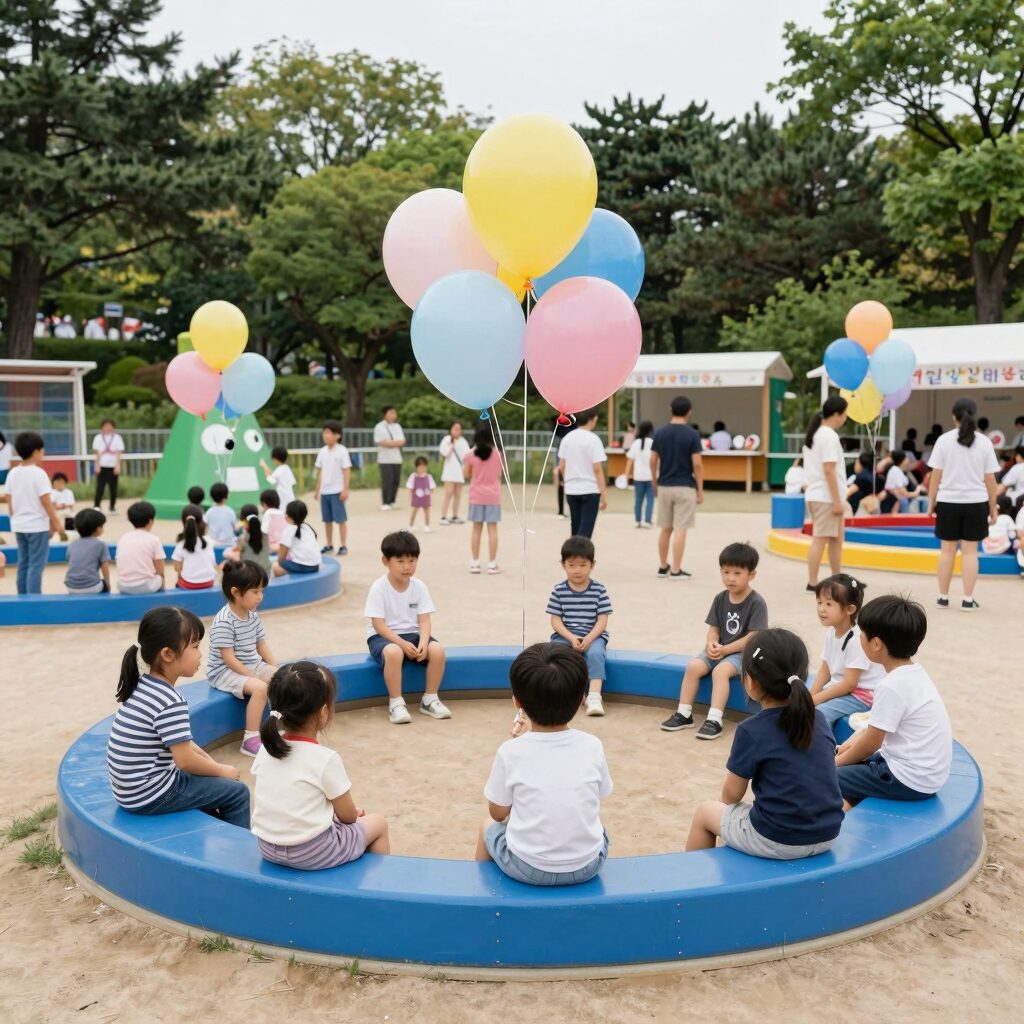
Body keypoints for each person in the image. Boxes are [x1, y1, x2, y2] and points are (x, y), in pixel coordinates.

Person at [684, 628, 843, 859]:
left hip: (779, 840)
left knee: (706, 812)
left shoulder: (752, 730)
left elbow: (731, 796)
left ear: (750, 681)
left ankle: (693, 883)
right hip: (828, 834)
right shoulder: (817, 718)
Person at [475, 643, 611, 886]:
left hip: (528, 867)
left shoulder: (510, 752)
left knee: (487, 828)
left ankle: (482, 895)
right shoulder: (593, 745)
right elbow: (601, 794)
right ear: (581, 699)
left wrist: (520, 745)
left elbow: (497, 814)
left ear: (517, 702)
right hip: (589, 864)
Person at [106, 606, 249, 827]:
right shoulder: (170, 701)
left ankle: (212, 829)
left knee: (212, 784)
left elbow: (186, 745)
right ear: (168, 654)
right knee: (237, 793)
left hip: (130, 791)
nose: (200, 653)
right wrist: (222, 770)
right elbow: (185, 761)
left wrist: (213, 767)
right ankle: (237, 851)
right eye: (195, 647)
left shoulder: (143, 685)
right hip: (151, 794)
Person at [252, 662, 390, 868]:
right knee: (378, 823)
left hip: (267, 847)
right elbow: (348, 816)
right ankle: (379, 889)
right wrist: (354, 812)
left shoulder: (266, 748)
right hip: (312, 853)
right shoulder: (324, 758)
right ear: (324, 711)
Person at [835, 596, 952, 808]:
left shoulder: (891, 686)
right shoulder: (913, 673)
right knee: (847, 762)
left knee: (826, 779)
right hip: (923, 774)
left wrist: (833, 766)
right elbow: (871, 733)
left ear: (876, 644)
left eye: (862, 634)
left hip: (908, 780)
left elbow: (872, 743)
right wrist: (850, 744)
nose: (859, 638)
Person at [661, 542, 768, 740]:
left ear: (751, 575)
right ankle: (684, 713)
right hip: (721, 649)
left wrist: (726, 649)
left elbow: (753, 637)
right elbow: (714, 629)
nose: (730, 578)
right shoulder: (721, 598)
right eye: (725, 572)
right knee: (693, 666)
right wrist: (711, 643)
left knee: (720, 671)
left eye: (737, 573)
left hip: (742, 654)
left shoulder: (756, 602)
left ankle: (715, 719)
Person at [363, 530, 450, 725]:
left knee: (438, 651)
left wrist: (424, 643)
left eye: (412, 561)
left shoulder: (419, 586)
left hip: (413, 635)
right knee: (394, 653)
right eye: (400, 561)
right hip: (383, 637)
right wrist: (402, 644)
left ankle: (430, 699)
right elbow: (378, 624)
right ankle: (396, 703)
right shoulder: (379, 587)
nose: (407, 567)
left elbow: (425, 620)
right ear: (385, 561)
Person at [927, 397, 999, 611]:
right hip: (976, 503)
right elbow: (990, 480)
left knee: (947, 552)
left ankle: (942, 597)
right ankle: (968, 599)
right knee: (970, 552)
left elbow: (935, 476)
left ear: (953, 416)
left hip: (947, 502)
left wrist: (931, 503)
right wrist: (993, 506)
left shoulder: (943, 440)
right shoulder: (984, 442)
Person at [208, 560, 278, 757]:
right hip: (223, 671)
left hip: (250, 665)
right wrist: (253, 676)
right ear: (236, 592)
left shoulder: (252, 615)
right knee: (261, 688)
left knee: (282, 680)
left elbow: (261, 645)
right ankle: (250, 739)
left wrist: (274, 668)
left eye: (261, 591)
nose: (260, 597)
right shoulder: (224, 621)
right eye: (255, 592)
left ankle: (271, 727)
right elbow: (228, 659)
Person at [809, 574, 885, 735]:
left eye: (829, 604)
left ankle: (823, 754)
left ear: (850, 609)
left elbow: (850, 684)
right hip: (845, 689)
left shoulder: (857, 639)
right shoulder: (832, 631)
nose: (821, 609)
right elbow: (825, 668)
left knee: (818, 714)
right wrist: (811, 695)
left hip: (861, 695)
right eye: (819, 602)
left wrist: (815, 700)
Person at [547, 536, 613, 718]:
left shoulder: (599, 589)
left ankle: (594, 697)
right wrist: (570, 637)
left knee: (596, 654)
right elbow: (555, 620)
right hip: (565, 635)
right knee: (556, 654)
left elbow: (602, 620)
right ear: (563, 565)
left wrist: (590, 638)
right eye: (572, 565)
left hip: (594, 635)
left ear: (592, 565)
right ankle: (566, 694)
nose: (577, 570)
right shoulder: (558, 590)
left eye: (583, 565)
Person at [2, 432, 63, 594]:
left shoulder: (13, 473)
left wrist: (14, 518)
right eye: (42, 450)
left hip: (19, 525)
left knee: (24, 563)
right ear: (36, 451)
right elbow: (46, 501)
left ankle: (22, 597)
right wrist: (56, 522)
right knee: (36, 564)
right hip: (37, 526)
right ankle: (34, 599)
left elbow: (9, 499)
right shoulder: (39, 473)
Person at [650, 396, 703, 580]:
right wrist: (700, 489)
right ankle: (676, 569)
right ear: (689, 411)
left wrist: (655, 482)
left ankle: (663, 566)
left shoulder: (660, 432)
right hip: (685, 486)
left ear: (670, 408)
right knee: (681, 528)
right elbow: (697, 464)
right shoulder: (692, 434)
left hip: (664, 485)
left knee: (665, 528)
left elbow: (653, 459)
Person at [802, 395, 850, 592]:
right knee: (820, 539)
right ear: (838, 415)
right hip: (826, 497)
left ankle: (837, 578)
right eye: (845, 413)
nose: (846, 417)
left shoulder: (816, 434)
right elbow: (829, 470)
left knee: (836, 539)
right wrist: (838, 501)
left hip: (818, 495)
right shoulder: (828, 436)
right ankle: (812, 583)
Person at [557, 408, 608, 539]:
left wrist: (565, 480)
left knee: (575, 527)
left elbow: (561, 466)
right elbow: (597, 469)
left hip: (572, 489)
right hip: (590, 489)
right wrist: (604, 494)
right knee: (586, 530)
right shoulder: (594, 439)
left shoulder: (567, 439)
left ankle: (572, 557)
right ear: (592, 419)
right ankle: (582, 557)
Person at [464, 423, 503, 575]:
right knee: (492, 530)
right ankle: (492, 564)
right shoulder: (497, 453)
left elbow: (466, 474)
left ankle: (475, 563)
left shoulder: (471, 454)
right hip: (493, 495)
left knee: (476, 529)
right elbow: (501, 473)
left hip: (476, 496)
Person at [315, 420, 351, 555]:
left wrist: (345, 489)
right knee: (327, 520)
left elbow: (346, 471)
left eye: (329, 433)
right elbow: (321, 472)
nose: (325, 435)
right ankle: (329, 545)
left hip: (337, 491)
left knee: (340, 519)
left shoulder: (342, 451)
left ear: (337, 435)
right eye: (324, 432)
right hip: (325, 491)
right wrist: (317, 489)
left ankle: (343, 545)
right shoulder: (322, 452)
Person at [115, 501, 165, 594]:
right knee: (159, 577)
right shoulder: (154, 540)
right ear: (150, 521)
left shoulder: (123, 538)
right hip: (146, 586)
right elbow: (160, 567)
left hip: (123, 585)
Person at [65, 508, 111, 594]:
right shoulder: (101, 544)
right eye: (102, 526)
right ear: (97, 529)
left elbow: (69, 561)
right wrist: (108, 584)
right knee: (103, 585)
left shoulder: (72, 544)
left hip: (71, 586)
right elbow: (105, 567)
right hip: (92, 587)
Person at [171, 505, 217, 590]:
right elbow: (213, 563)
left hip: (189, 584)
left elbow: (176, 568)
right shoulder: (209, 541)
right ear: (201, 521)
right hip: (209, 582)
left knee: (179, 577)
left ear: (183, 522)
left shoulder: (181, 544)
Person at [272, 500, 323, 576]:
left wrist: (278, 562)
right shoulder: (308, 527)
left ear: (288, 515)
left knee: (275, 566)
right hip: (315, 566)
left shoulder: (289, 529)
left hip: (303, 566)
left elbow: (282, 555)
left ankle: (283, 585)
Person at [374, 405, 406, 510]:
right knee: (387, 480)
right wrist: (394, 443)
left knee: (396, 480)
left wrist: (392, 443)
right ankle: (385, 502)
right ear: (385, 414)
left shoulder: (397, 426)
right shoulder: (379, 427)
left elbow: (402, 441)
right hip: (385, 459)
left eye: (394, 413)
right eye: (391, 413)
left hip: (397, 458)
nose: (393, 415)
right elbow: (382, 442)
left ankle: (392, 500)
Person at [438, 421, 470, 525]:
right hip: (449, 471)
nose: (457, 430)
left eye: (459, 429)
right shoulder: (446, 440)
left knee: (458, 494)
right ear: (450, 429)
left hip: (460, 471)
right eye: (455, 428)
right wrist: (451, 447)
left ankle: (455, 515)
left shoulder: (463, 441)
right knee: (449, 493)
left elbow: (468, 456)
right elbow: (444, 454)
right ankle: (443, 516)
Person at [224, 505, 271, 573]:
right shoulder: (265, 536)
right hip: (266, 573)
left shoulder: (243, 538)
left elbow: (234, 551)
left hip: (248, 576)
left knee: (227, 561)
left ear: (243, 522)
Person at [625, 420, 655, 528]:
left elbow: (630, 461)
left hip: (638, 477)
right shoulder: (652, 443)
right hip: (651, 476)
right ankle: (647, 521)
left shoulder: (635, 443)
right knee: (650, 499)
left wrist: (626, 476)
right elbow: (656, 460)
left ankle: (637, 520)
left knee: (638, 499)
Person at [91, 418, 124, 514]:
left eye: (110, 426)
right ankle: (97, 506)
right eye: (106, 426)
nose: (108, 428)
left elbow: (118, 452)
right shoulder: (98, 437)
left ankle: (112, 506)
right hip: (102, 465)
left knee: (113, 488)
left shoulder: (117, 437)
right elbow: (97, 453)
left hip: (113, 465)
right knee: (100, 487)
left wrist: (118, 465)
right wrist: (97, 465)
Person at [552, 417, 575, 519]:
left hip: (565, 460)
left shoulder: (563, 424)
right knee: (564, 485)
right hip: (565, 461)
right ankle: (563, 511)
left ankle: (563, 511)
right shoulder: (569, 425)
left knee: (564, 486)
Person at [407, 456, 436, 532]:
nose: (422, 469)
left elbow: (432, 487)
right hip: (416, 497)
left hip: (426, 498)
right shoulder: (413, 476)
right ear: (416, 467)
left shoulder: (429, 477)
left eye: (424, 467)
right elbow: (410, 487)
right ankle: (411, 525)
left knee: (427, 512)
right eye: (420, 467)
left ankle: (427, 525)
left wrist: (429, 492)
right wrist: (410, 496)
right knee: (414, 511)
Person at [203, 482, 236, 547]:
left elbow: (205, 527)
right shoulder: (230, 511)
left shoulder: (209, 512)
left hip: (213, 544)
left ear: (211, 497)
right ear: (226, 496)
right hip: (229, 544)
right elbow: (233, 527)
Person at [845, 450, 877, 515]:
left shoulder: (862, 477)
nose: (854, 465)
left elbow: (848, 492)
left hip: (862, 511)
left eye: (856, 463)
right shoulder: (871, 475)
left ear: (860, 463)